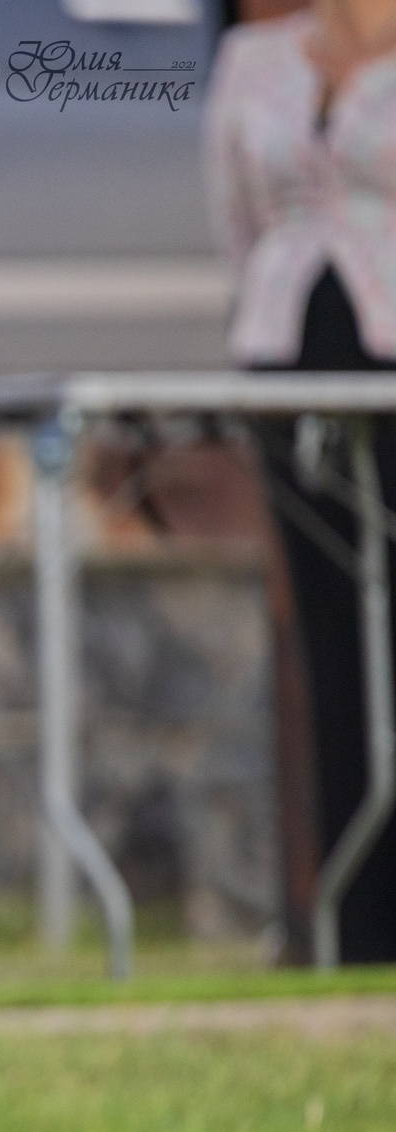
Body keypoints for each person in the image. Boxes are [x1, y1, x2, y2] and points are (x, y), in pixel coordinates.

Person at [209, 0, 396, 959]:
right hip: (289, 360)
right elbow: (234, 226)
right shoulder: (252, 59)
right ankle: (354, 928)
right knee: (330, 644)